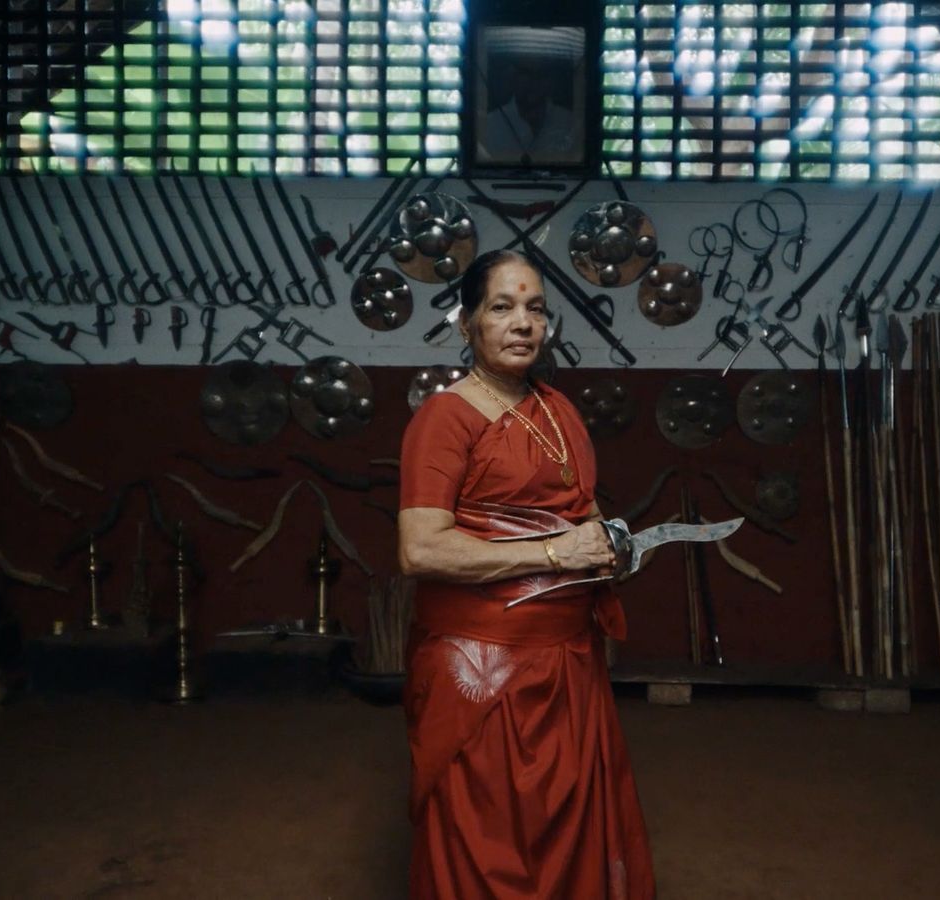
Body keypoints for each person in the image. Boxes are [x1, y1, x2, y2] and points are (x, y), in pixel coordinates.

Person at [397, 250, 656, 898]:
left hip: (567, 668)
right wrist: (553, 555)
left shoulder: (558, 411)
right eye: (502, 307)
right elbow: (420, 550)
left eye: (535, 308)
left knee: (568, 835)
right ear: (468, 323)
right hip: (482, 677)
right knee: (489, 843)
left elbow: (582, 514)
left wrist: (611, 548)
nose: (522, 323)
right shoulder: (444, 418)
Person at [477, 54, 579, 167]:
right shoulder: (490, 125)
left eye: (541, 74)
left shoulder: (569, 122)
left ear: (550, 80)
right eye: (525, 73)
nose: (533, 81)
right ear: (512, 77)